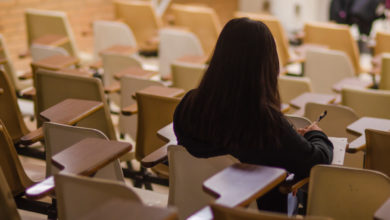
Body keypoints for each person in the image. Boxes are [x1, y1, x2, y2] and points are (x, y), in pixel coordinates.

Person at [173, 17, 333, 213]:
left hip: (197, 210)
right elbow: (318, 162)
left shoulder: (188, 104)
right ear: (267, 65)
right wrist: (315, 134)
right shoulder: (265, 123)